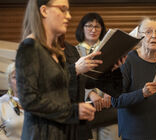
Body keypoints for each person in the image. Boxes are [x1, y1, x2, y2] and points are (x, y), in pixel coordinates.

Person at [15, 0, 111, 139]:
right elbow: (29, 100)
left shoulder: (56, 53)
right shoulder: (29, 47)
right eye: (62, 9)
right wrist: (74, 111)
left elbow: (63, 93)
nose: (69, 16)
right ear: (44, 11)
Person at [74, 12, 121, 140]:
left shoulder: (110, 50)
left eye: (97, 26)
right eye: (89, 26)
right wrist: (90, 93)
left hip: (108, 107)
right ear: (82, 29)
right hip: (86, 108)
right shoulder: (73, 51)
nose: (93, 30)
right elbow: (72, 78)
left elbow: (117, 75)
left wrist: (109, 92)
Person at [0, 63, 23, 140]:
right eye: (15, 77)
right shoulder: (2, 104)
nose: (19, 80)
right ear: (9, 82)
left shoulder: (39, 103)